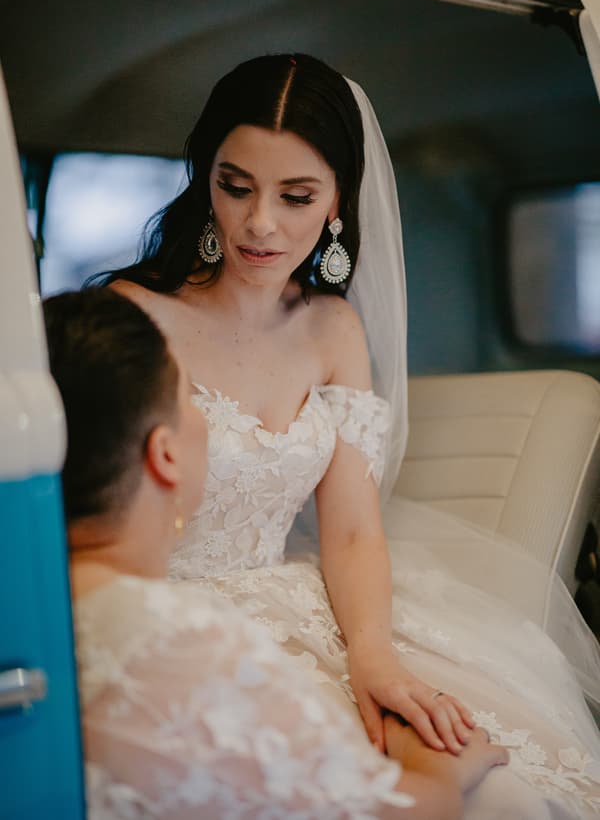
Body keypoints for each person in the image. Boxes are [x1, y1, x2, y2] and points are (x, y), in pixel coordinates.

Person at [99, 54, 600, 818]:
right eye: (236, 187)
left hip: (310, 604)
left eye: (295, 196)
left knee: (503, 782)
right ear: (207, 180)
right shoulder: (130, 316)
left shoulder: (333, 328)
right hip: (165, 606)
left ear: (337, 202)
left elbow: (355, 528)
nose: (259, 223)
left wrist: (371, 655)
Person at [45, 286, 508, 820]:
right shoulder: (188, 643)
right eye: (190, 399)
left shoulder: (36, 610)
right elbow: (398, 812)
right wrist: (443, 772)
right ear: (165, 454)